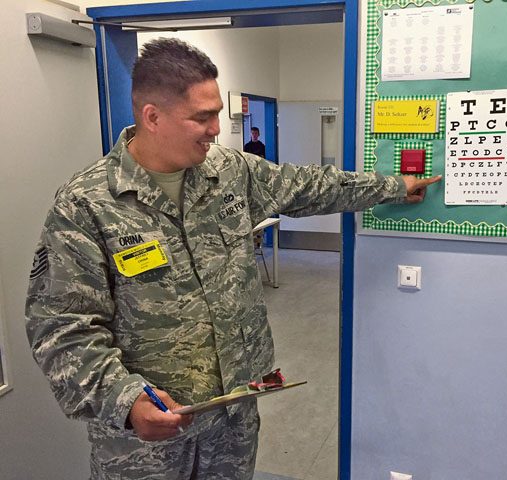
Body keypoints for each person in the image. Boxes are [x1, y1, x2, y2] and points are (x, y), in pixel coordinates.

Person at [25, 38, 441, 480]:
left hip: (232, 415)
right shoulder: (86, 204)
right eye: (201, 118)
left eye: (216, 115)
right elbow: (61, 326)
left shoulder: (228, 172)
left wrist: (394, 186)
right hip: (146, 441)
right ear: (153, 117)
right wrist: (125, 400)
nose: (215, 130)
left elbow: (308, 185)